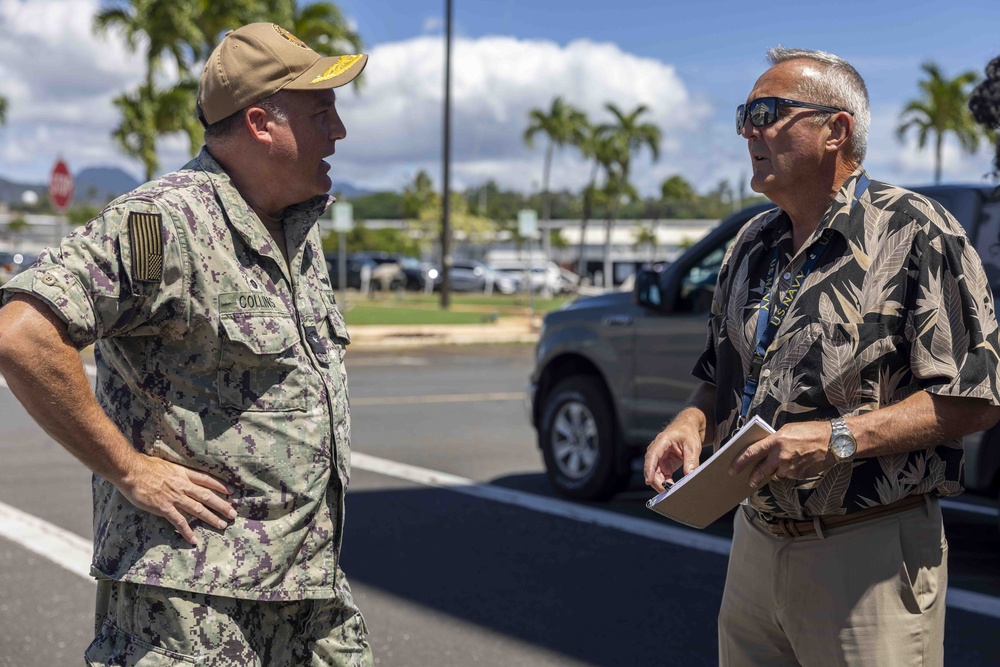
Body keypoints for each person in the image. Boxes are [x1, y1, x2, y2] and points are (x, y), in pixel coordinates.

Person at [0, 23, 372, 665]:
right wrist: (130, 469)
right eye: (322, 111)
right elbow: (23, 335)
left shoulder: (296, 231)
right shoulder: (163, 222)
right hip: (194, 609)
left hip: (307, 593)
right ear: (261, 123)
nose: (338, 130)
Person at [644, 47, 1000, 666]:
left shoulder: (918, 231)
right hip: (754, 545)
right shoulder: (751, 243)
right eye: (745, 115)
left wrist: (832, 439)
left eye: (767, 112)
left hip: (869, 559)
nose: (749, 130)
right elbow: (717, 378)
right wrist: (689, 424)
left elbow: (973, 401)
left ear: (836, 129)